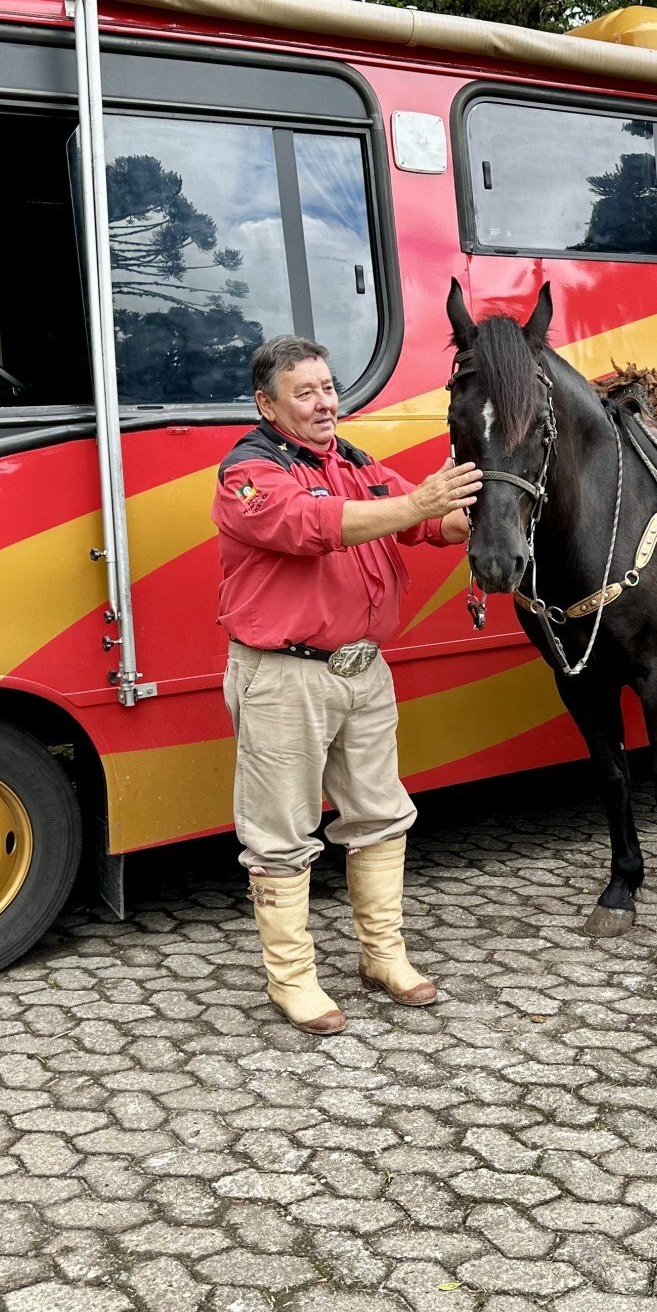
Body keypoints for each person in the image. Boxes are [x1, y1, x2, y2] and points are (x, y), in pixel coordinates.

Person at [213, 334, 481, 1035]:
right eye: (305, 392)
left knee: (381, 815)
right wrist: (420, 503)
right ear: (266, 403)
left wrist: (473, 504)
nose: (326, 401)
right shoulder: (248, 474)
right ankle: (293, 981)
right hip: (282, 679)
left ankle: (382, 957)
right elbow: (315, 527)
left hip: (364, 671)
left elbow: (433, 525)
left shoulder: (355, 464)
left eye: (329, 387)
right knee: (279, 836)